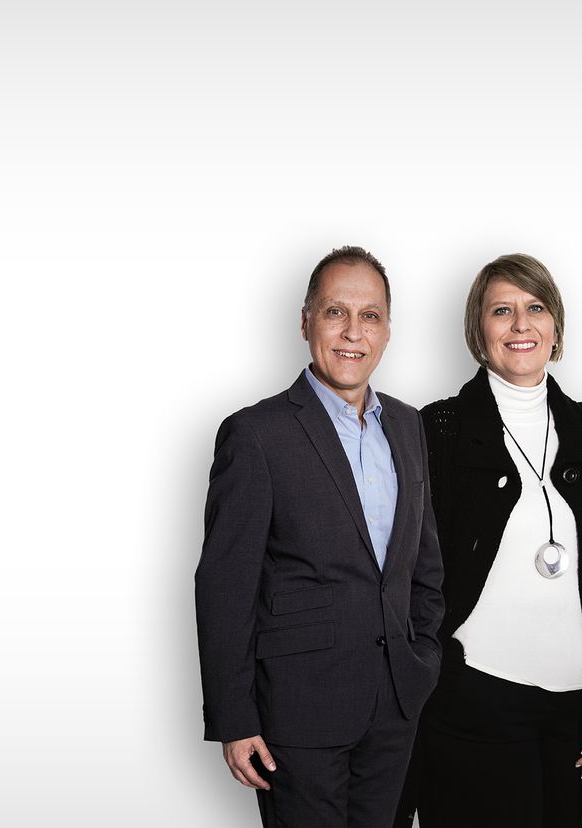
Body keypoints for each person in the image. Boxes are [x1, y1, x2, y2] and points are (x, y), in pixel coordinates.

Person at [194, 246, 445, 827]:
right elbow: (225, 587)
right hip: (297, 712)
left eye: (370, 316)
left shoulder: (407, 425)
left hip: (394, 705)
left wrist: (423, 658)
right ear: (306, 321)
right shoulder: (256, 434)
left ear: (388, 331)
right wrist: (235, 718)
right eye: (336, 312)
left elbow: (423, 565)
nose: (353, 332)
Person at [397, 253, 582, 827]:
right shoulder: (438, 428)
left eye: (536, 308)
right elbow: (407, 570)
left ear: (556, 326)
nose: (521, 324)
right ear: (479, 331)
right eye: (502, 311)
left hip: (574, 709)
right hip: (471, 702)